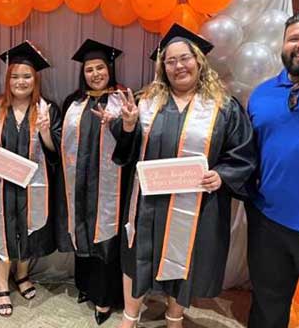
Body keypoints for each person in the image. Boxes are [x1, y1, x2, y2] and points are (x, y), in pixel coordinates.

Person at [106, 25, 259, 328]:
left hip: (195, 201)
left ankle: (174, 316)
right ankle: (129, 316)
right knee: (136, 254)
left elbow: (242, 152)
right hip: (148, 201)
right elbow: (126, 152)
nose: (178, 66)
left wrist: (223, 176)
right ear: (162, 67)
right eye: (170, 61)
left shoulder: (223, 106)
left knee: (184, 257)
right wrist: (126, 126)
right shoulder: (146, 100)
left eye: (184, 58)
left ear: (199, 61)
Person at [243, 12, 299, 328]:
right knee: (267, 308)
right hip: (268, 221)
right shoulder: (262, 93)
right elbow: (245, 154)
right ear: (283, 45)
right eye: (294, 38)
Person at [0, 42, 63, 318]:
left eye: (27, 76)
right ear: (7, 79)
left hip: (33, 186)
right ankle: (2, 285)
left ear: (35, 79)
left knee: (29, 230)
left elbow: (56, 152)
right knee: (0, 233)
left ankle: (23, 276)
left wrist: (46, 131)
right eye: (15, 76)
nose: (21, 81)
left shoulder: (47, 108)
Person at [57, 38, 132, 324]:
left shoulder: (124, 98)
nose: (95, 74)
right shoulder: (73, 102)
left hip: (111, 187)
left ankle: (105, 298)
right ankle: (86, 287)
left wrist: (119, 124)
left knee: (106, 238)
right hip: (79, 184)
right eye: (89, 69)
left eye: (100, 67)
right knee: (82, 233)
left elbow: (133, 142)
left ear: (110, 68)